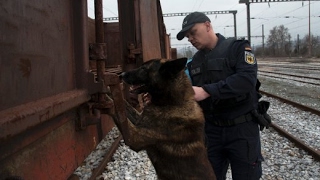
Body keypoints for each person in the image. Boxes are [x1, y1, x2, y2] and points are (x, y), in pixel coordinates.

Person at [176, 12, 270, 180]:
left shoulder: (237, 48)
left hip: (242, 130)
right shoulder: (194, 62)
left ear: (207, 25)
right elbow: (184, 90)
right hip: (212, 132)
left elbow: (246, 80)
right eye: (187, 36)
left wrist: (206, 91)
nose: (190, 38)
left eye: (193, 32)